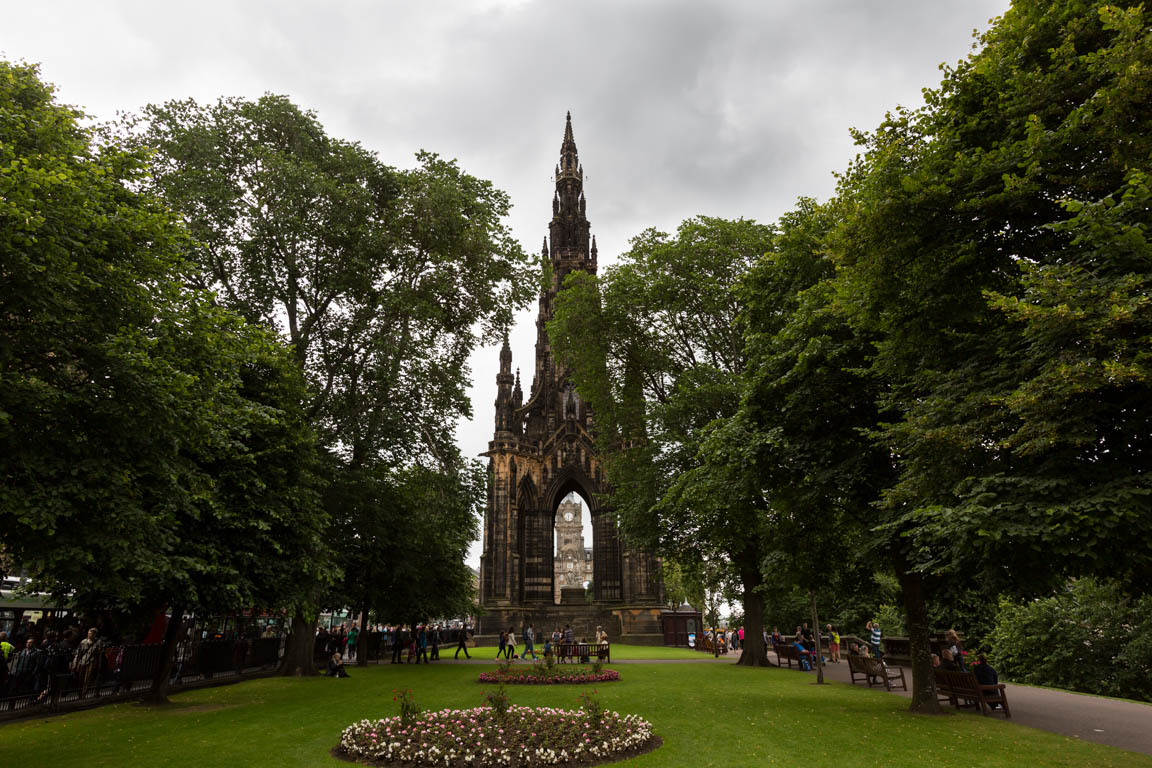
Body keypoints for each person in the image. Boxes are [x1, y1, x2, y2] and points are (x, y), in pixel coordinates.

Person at [72, 627, 104, 698]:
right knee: (80, 678)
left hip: (92, 661)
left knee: (87, 678)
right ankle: (79, 693)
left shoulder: (99, 642)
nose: (89, 635)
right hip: (82, 661)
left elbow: (99, 654)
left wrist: (99, 664)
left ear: (95, 634)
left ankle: (83, 694)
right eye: (89, 633)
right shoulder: (83, 641)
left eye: (91, 634)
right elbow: (79, 653)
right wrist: (76, 663)